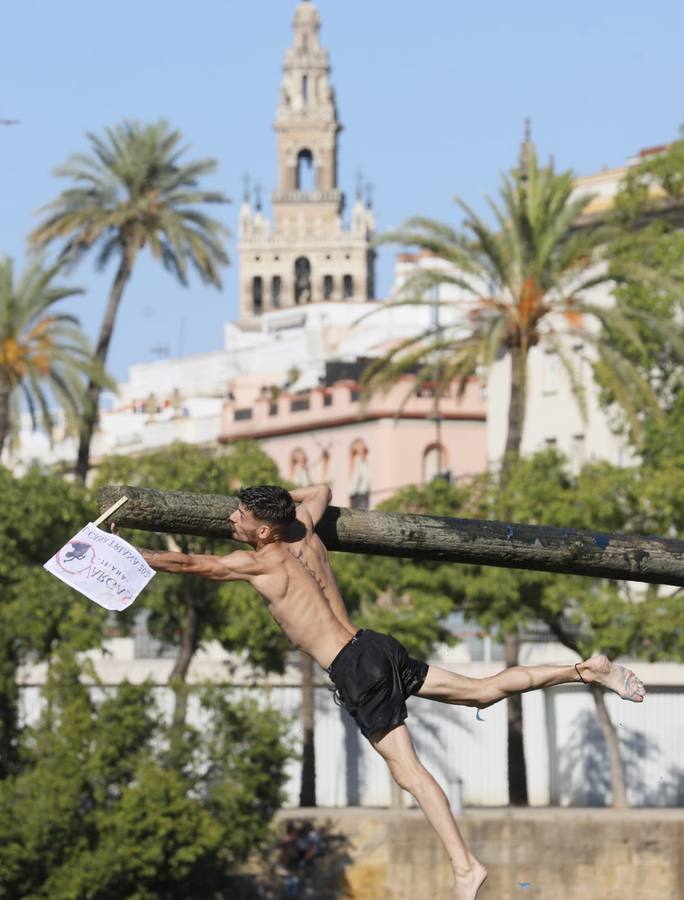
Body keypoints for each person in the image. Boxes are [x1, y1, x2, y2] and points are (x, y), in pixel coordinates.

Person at [115, 484, 646, 900]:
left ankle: (465, 866)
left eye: (240, 516)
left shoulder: (264, 561)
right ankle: (584, 670)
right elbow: (318, 489)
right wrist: (279, 501)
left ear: (262, 533)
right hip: (375, 646)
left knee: (409, 773)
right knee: (482, 692)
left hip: (353, 668)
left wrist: (122, 548)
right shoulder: (304, 533)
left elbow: (191, 564)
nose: (229, 519)